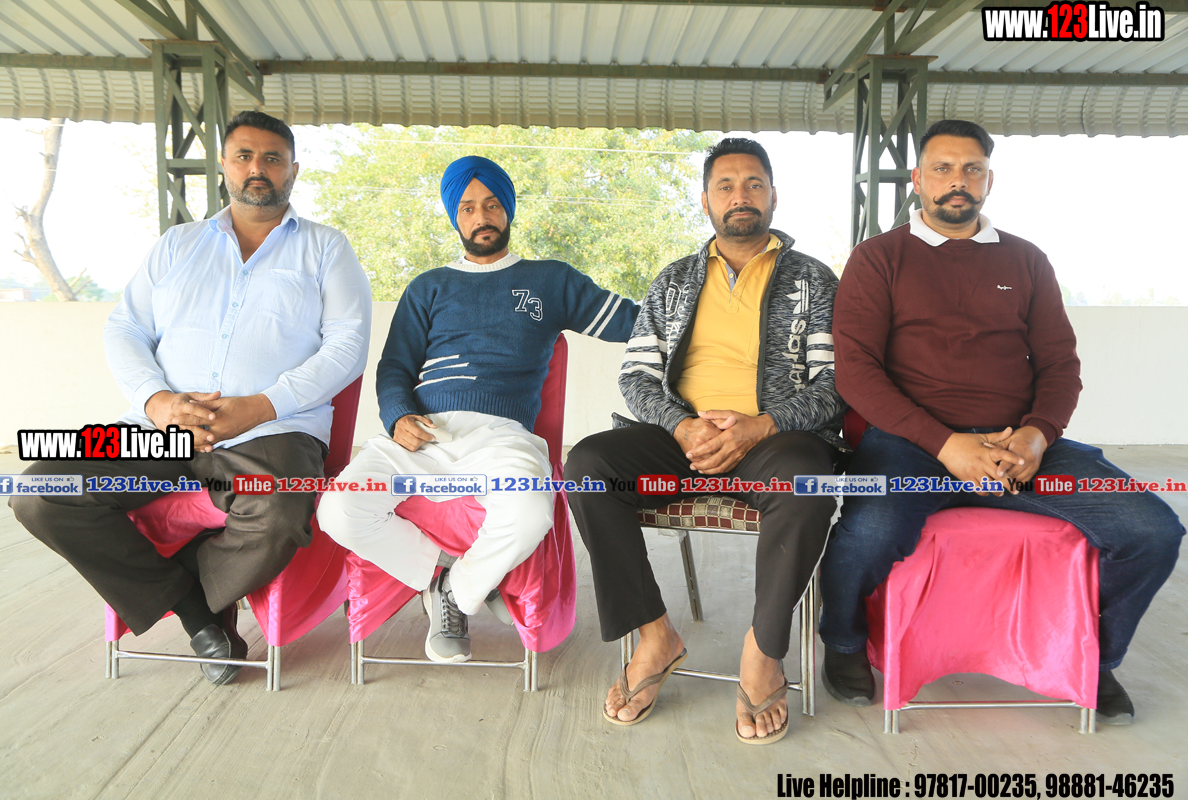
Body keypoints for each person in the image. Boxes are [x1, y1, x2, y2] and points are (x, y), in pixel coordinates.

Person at [820, 118, 1185, 724]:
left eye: (972, 169)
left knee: (1151, 530)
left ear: (990, 180)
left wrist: (1037, 436)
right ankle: (842, 643)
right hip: (912, 445)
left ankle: (1094, 658)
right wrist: (947, 445)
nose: (956, 181)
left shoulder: (1027, 259)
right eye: (942, 168)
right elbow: (855, 373)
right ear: (917, 180)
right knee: (868, 532)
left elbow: (1060, 366)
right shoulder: (879, 258)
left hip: (1020, 446)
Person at [12, 110, 373, 686]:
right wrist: (157, 402)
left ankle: (190, 604)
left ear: (293, 169)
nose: (258, 168)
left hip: (272, 429)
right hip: (158, 427)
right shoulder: (176, 245)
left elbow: (348, 346)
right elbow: (125, 328)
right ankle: (196, 612)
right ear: (224, 165)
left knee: (280, 513)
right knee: (39, 491)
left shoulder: (326, 248)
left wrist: (260, 405)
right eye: (244, 156)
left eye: (273, 158)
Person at [563, 138, 846, 744]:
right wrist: (681, 425)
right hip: (682, 442)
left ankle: (763, 652)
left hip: (773, 443)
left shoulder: (814, 280)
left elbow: (836, 385)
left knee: (807, 481)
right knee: (588, 464)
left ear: (773, 196)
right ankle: (654, 634)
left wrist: (761, 425)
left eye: (753, 184)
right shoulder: (674, 280)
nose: (740, 196)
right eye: (726, 185)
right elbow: (636, 376)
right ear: (705, 200)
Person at [316, 155, 639, 664]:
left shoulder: (549, 281)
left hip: (502, 436)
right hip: (424, 433)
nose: (481, 216)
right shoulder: (428, 287)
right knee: (337, 509)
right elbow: (394, 366)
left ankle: (456, 593)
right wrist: (398, 416)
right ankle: (447, 574)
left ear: (507, 210)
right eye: (467, 208)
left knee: (531, 511)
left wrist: (697, 303)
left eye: (491, 205)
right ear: (455, 217)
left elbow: (635, 323)